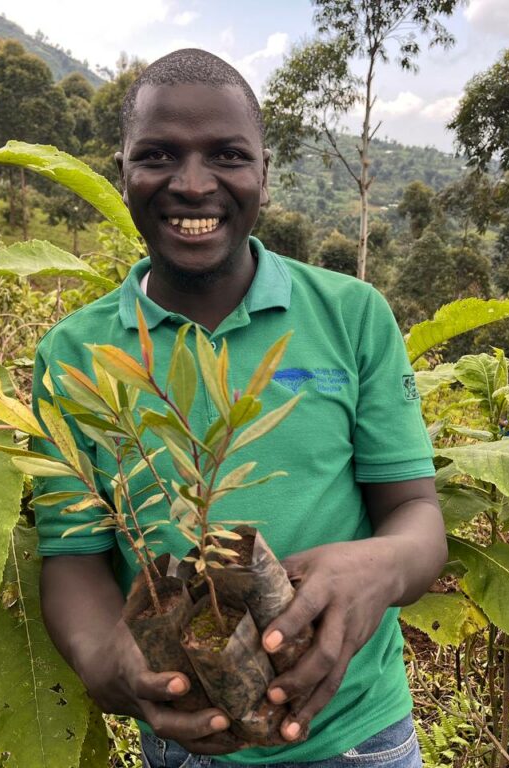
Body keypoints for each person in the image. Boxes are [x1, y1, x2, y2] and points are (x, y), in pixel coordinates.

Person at [31, 48, 447, 768]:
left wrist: (376, 568)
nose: (193, 185)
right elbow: (73, 560)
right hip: (182, 748)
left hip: (360, 739)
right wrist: (113, 667)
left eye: (226, 155)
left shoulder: (352, 316)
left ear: (262, 171)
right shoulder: (75, 355)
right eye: (158, 155)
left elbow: (416, 515)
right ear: (122, 170)